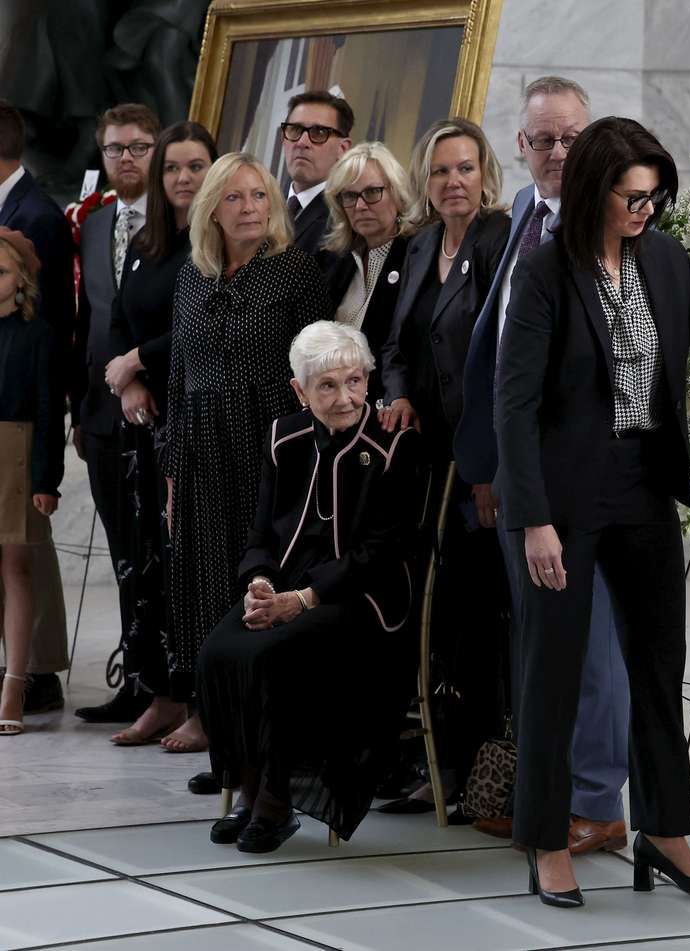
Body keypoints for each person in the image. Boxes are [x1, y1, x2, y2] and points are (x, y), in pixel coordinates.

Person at [496, 117, 690, 907]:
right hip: (562, 502)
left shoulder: (662, 260)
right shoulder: (542, 273)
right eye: (635, 196)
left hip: (644, 487)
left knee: (658, 670)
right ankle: (545, 840)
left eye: (657, 196)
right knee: (552, 674)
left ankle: (665, 831)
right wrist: (532, 520)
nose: (648, 210)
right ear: (597, 190)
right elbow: (515, 405)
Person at [455, 75, 630, 854]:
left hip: (577, 480)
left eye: (571, 138)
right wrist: (492, 466)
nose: (558, 152)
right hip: (519, 476)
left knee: (592, 645)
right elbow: (496, 353)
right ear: (518, 147)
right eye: (542, 139)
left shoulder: (611, 229)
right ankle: (549, 789)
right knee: (539, 640)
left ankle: (599, 801)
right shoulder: (525, 211)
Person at [197, 321, 422, 853]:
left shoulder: (394, 442)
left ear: (368, 379)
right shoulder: (285, 436)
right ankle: (249, 789)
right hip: (286, 589)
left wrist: (300, 601)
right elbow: (260, 532)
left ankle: (276, 801)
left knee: (278, 653)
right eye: (326, 385)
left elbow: (382, 551)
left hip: (365, 599)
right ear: (299, 390)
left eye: (354, 381)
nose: (345, 397)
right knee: (217, 651)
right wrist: (258, 583)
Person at [161, 152, 329, 754]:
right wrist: (172, 467)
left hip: (268, 445)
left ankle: (256, 726)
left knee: (256, 574)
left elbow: (313, 373)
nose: (250, 207)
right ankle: (209, 715)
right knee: (201, 581)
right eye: (234, 197)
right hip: (200, 446)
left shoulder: (295, 272)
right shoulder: (192, 276)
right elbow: (178, 376)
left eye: (258, 195)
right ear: (212, 208)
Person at [377, 117, 510, 812]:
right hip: (423, 461)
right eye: (440, 171)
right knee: (432, 618)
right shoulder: (421, 243)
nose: (453, 182)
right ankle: (437, 761)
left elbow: (498, 360)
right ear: (424, 184)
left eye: (464, 169)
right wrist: (397, 397)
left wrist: (487, 464)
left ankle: (477, 774)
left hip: (476, 465)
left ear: (484, 174)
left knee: (476, 620)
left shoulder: (500, 238)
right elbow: (396, 345)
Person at [104, 121, 217, 746]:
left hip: (198, 421)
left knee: (192, 563)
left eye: (195, 166)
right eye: (172, 168)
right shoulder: (146, 242)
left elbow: (204, 325)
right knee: (146, 563)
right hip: (144, 425)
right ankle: (162, 692)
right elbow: (120, 317)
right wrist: (130, 381)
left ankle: (203, 699)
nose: (182, 179)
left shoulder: (218, 241)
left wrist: (139, 360)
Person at [72, 102, 162, 727]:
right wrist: (82, 409)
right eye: (113, 149)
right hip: (101, 416)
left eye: (136, 147)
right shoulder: (95, 224)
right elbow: (88, 323)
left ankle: (162, 681)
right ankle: (133, 677)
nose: (125, 159)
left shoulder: (174, 220)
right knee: (121, 550)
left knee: (157, 548)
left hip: (155, 409)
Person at [0, 99, 73, 716]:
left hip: (22, 418)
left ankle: (38, 669)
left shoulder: (37, 217)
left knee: (29, 548)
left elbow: (48, 322)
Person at [0, 228, 62, 735]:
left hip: (18, 458)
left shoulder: (38, 334)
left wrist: (48, 478)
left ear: (21, 279)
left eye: (0, 271)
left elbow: (47, 411)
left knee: (18, 567)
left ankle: (15, 683)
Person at [318, 141, 413, 404]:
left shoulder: (416, 257)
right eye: (349, 196)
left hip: (389, 411)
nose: (360, 206)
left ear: (397, 193)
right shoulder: (335, 261)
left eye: (372, 192)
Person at [281, 91, 353, 255]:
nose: (302, 142)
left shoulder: (345, 220)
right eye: (295, 130)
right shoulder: (262, 206)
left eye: (319, 132)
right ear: (283, 138)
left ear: (343, 149)